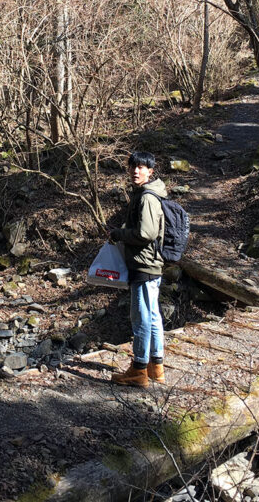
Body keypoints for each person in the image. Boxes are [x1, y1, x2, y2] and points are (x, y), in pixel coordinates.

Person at [108, 150, 166, 387]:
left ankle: (139, 369)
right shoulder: (146, 194)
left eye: (141, 167)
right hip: (149, 264)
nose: (135, 171)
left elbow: (146, 233)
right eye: (132, 166)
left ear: (150, 171)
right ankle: (156, 367)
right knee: (152, 316)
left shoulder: (147, 197)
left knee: (141, 317)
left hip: (144, 264)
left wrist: (119, 234)